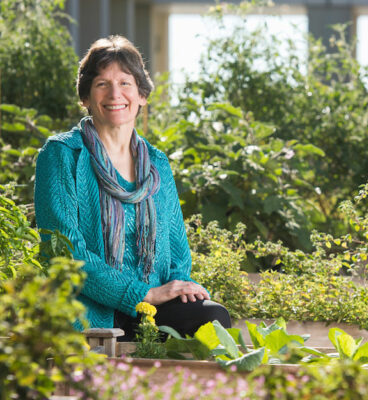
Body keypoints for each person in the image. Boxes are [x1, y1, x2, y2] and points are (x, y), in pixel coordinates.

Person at [34, 35, 231, 341]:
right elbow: (65, 252)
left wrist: (180, 286)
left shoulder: (157, 163)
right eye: (102, 83)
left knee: (212, 318)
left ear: (141, 95)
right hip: (89, 307)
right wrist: (144, 293)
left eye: (125, 83)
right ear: (85, 97)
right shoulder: (60, 155)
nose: (115, 93)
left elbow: (178, 251)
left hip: (152, 308)